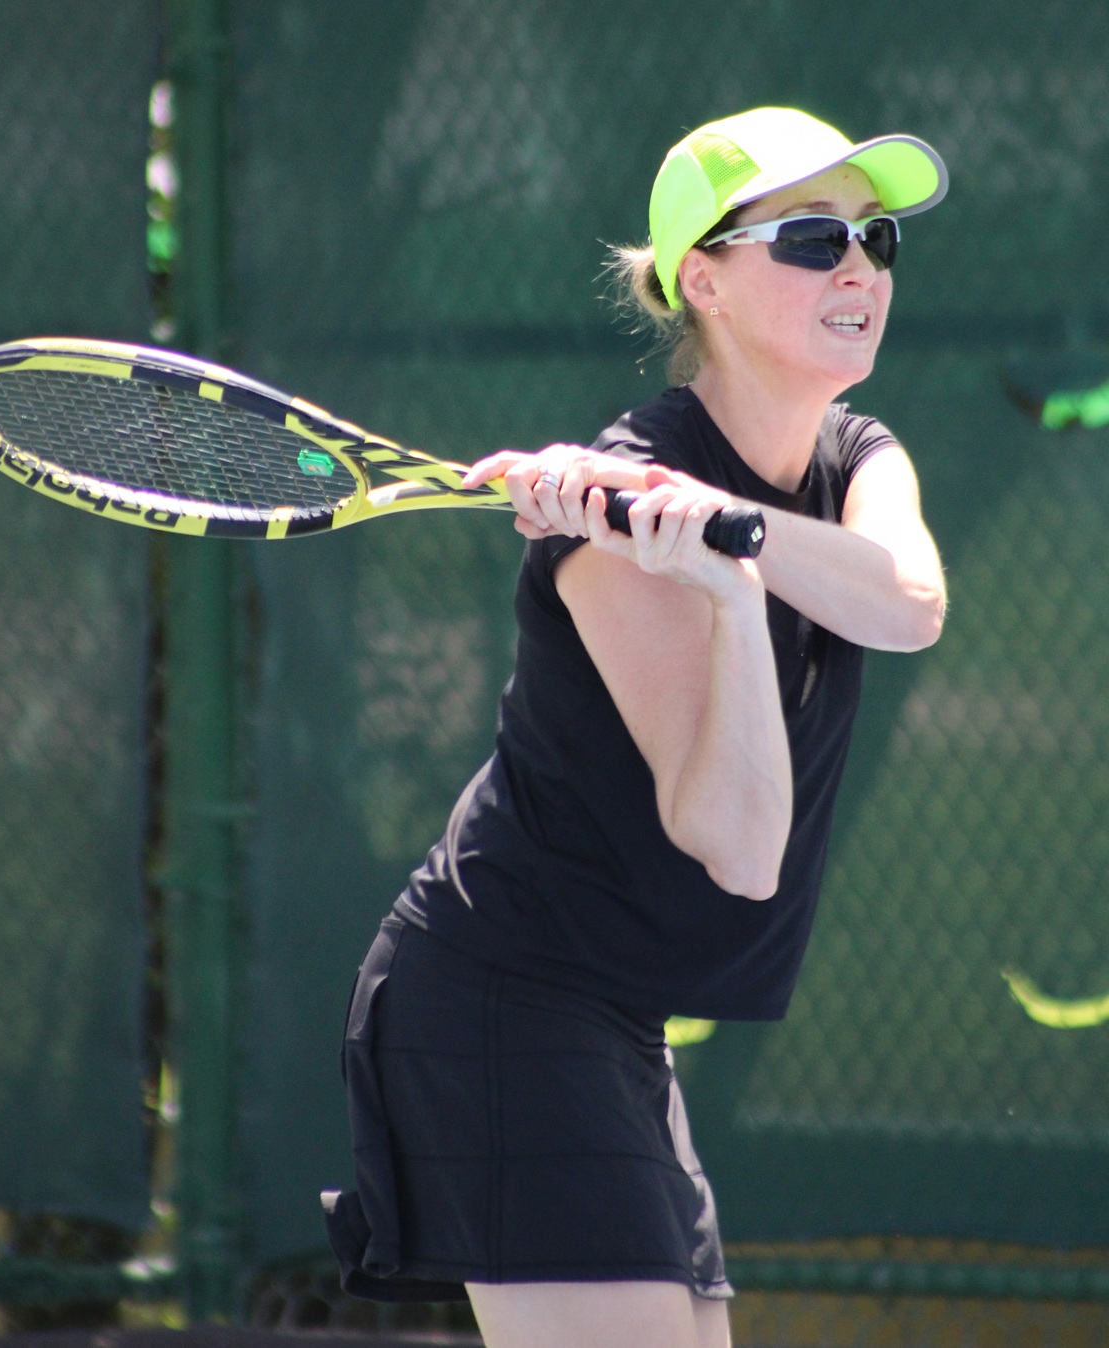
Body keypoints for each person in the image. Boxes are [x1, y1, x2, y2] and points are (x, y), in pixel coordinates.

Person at [322, 106, 949, 1348]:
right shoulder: (615, 532)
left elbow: (908, 604)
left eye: (875, 238)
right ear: (701, 280)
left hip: (620, 1020)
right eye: (813, 239)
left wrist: (722, 529)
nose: (860, 269)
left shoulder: (858, 455)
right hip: (502, 995)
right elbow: (740, 846)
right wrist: (723, 592)